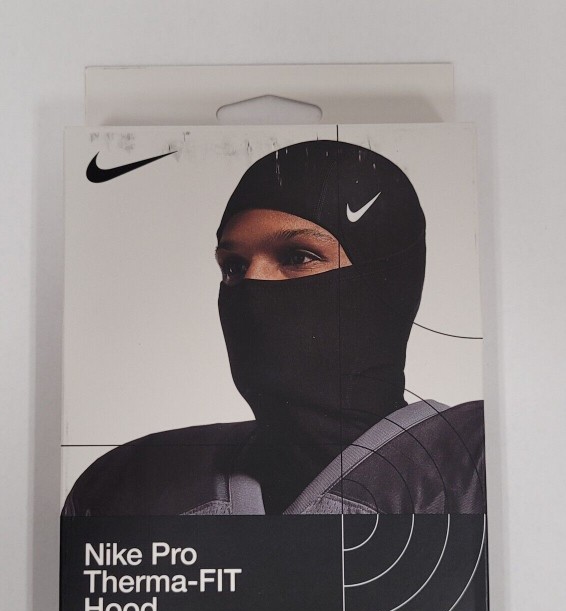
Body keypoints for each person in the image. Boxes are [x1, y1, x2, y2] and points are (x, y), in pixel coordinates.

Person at [62, 140, 486, 516]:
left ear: (385, 284)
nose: (252, 287)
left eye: (298, 257)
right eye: (234, 266)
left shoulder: (485, 463)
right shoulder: (127, 485)